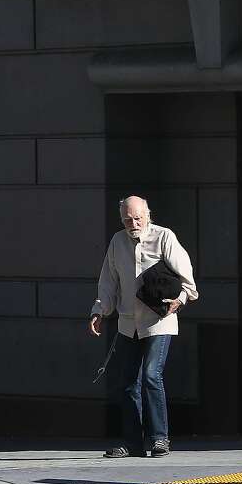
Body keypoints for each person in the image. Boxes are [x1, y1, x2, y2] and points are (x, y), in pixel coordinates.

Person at [89, 195, 198, 459]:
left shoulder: (164, 237)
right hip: (128, 322)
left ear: (148, 215)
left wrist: (180, 299)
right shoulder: (117, 242)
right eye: (128, 219)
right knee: (128, 382)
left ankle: (160, 438)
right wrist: (99, 311)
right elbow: (108, 281)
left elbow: (188, 281)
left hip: (159, 320)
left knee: (151, 375)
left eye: (138, 218)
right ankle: (132, 443)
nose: (133, 223)